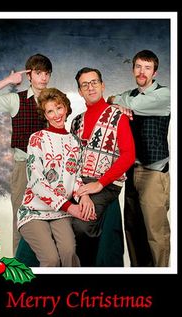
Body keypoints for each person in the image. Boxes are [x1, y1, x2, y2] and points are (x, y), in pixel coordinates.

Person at [17, 88, 96, 267]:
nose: (56, 115)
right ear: (44, 115)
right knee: (51, 259)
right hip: (34, 211)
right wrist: (70, 207)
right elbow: (36, 182)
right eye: (50, 111)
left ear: (66, 109)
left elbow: (75, 176)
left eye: (59, 108)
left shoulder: (75, 142)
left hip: (60, 213)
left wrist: (83, 195)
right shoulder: (37, 139)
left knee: (69, 253)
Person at [108, 49, 170, 267]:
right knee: (133, 229)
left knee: (156, 232)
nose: (142, 72)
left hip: (154, 171)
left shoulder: (165, 95)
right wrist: (117, 102)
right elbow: (112, 102)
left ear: (155, 72)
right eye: (138, 67)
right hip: (131, 170)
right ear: (133, 68)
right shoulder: (128, 95)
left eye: (147, 68)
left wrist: (119, 104)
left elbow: (132, 106)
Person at [0, 53, 52, 255]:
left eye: (47, 73)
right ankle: (20, 265)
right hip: (23, 168)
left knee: (48, 219)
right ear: (29, 74)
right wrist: (8, 81)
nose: (43, 77)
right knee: (21, 218)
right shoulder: (17, 100)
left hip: (50, 169)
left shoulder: (54, 99)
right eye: (38, 73)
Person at [70, 67, 136, 266]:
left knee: (80, 226)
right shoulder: (76, 122)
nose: (91, 88)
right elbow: (71, 160)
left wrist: (100, 183)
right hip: (80, 182)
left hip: (106, 183)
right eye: (85, 85)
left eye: (94, 82)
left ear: (102, 85)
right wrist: (82, 192)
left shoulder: (118, 116)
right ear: (80, 91)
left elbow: (129, 155)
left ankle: (87, 268)